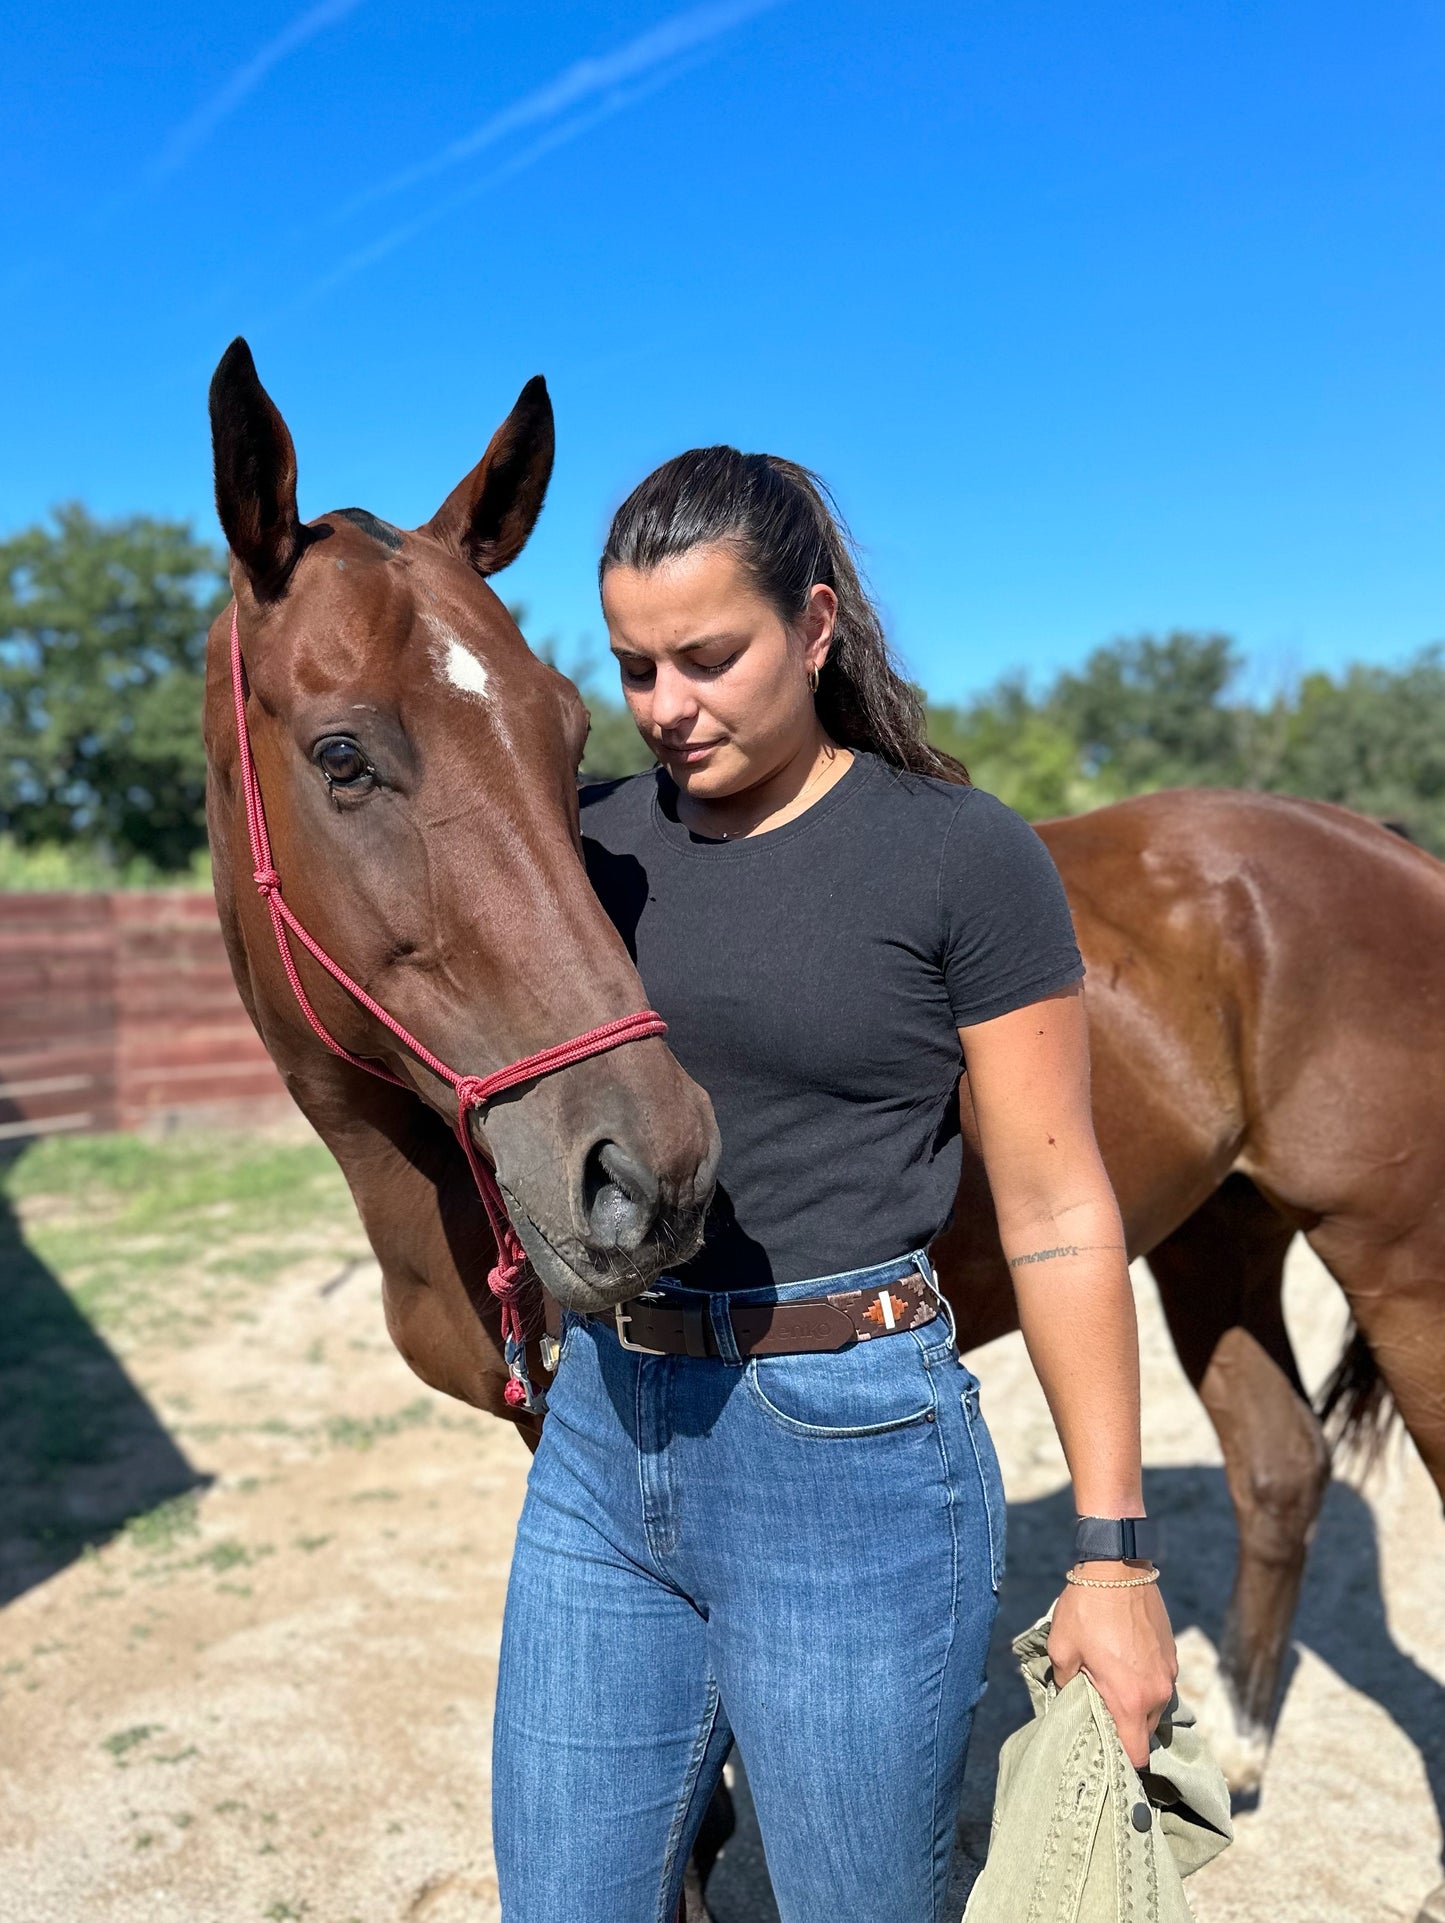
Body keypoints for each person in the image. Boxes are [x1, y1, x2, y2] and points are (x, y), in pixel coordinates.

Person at [492, 447, 1178, 1923]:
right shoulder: (589, 847)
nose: (666, 707)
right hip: (603, 1443)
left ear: (812, 628)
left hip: (851, 1454)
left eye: (706, 657)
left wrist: (1113, 1562)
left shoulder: (956, 858)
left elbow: (1058, 1215)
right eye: (632, 668)